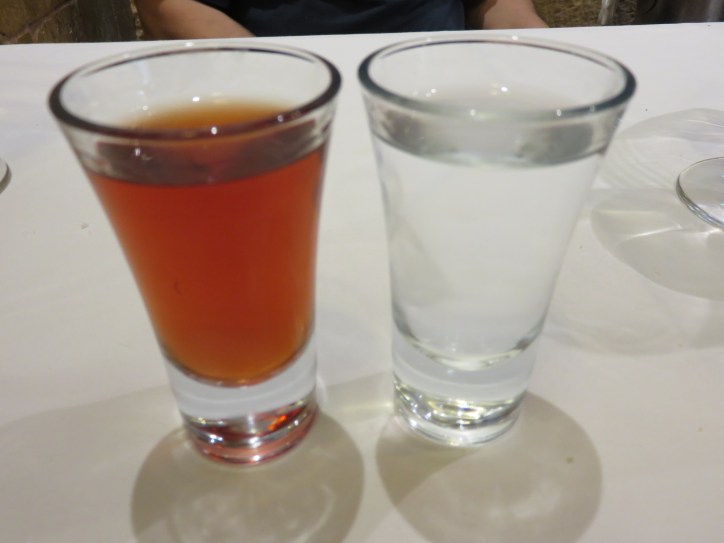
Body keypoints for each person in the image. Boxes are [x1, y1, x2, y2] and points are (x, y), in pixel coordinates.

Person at [135, 0, 547, 40]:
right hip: (280, 90)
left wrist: (533, 40)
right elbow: (169, 6)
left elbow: (498, 5)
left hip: (433, 88)